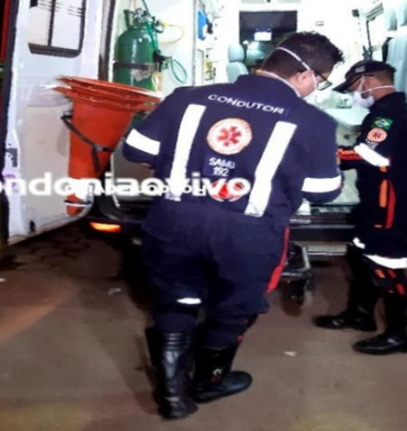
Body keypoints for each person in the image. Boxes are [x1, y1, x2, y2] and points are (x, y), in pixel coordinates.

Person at [122, 32, 345, 420]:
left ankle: (172, 397)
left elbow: (136, 150)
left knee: (176, 299)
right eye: (321, 81)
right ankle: (209, 382)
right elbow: (322, 191)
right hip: (249, 235)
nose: (316, 89)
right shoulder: (314, 122)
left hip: (174, 222)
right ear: (306, 75)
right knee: (233, 307)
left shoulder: (186, 97)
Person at [312, 60, 407, 355]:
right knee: (359, 256)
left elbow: (368, 155)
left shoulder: (388, 114)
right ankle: (360, 314)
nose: (353, 95)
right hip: (377, 199)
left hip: (392, 205)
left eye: (354, 88)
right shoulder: (386, 111)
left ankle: (403, 334)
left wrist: (320, 154)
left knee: (387, 267)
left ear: (369, 81)